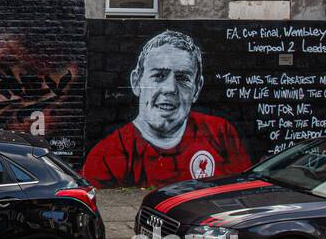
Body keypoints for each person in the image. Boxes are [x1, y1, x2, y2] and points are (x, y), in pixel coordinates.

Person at [83, 30, 250, 188]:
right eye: (159, 76)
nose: (170, 88)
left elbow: (243, 190)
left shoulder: (221, 133)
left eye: (182, 78)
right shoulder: (105, 157)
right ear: (136, 82)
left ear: (197, 89)